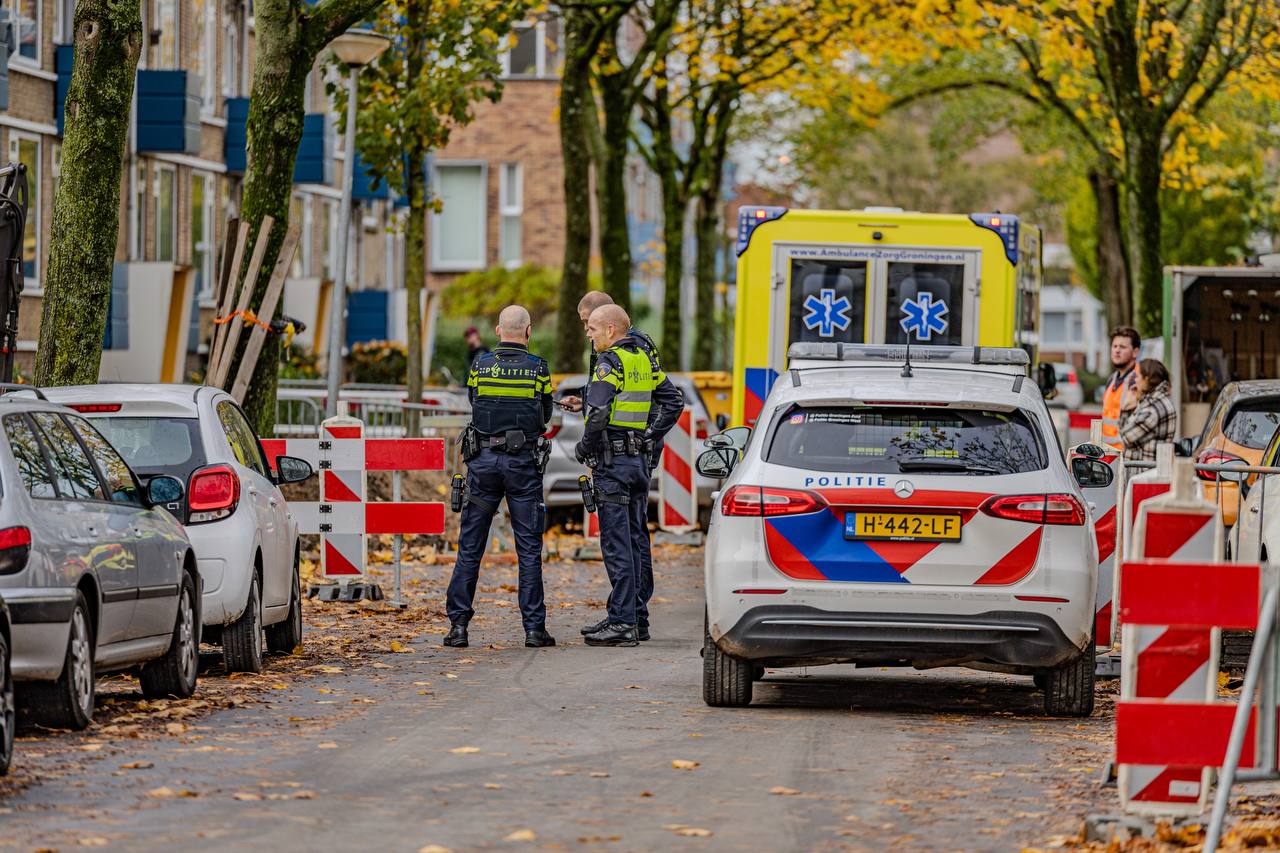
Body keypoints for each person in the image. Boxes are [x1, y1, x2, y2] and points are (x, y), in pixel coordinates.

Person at [562, 291, 676, 640]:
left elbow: (600, 411)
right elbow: (672, 400)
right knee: (636, 537)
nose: (587, 333)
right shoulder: (644, 354)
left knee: (616, 541)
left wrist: (584, 447)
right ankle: (636, 617)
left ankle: (622, 621)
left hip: (614, 461)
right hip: (638, 461)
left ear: (610, 327)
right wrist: (648, 438)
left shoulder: (610, 359)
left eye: (591, 326)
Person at [444, 305, 555, 649]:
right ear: (528, 331)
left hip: (484, 464)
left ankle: (458, 628)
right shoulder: (539, 369)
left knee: (470, 548)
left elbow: (474, 400)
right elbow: (545, 414)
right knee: (528, 549)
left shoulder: (479, 365)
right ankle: (534, 631)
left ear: (497, 330)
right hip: (522, 466)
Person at [1119, 358, 1177, 462]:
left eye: (1137, 376)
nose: (1135, 380)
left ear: (1146, 378)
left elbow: (1126, 437)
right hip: (1152, 471)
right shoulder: (1158, 399)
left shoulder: (1153, 408)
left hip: (1145, 473)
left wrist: (1126, 408)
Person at [1101, 326, 1140, 452]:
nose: (1117, 350)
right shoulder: (1111, 380)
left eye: (1122, 347)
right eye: (1114, 346)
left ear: (1135, 352)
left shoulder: (1138, 380)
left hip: (1126, 456)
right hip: (1108, 454)